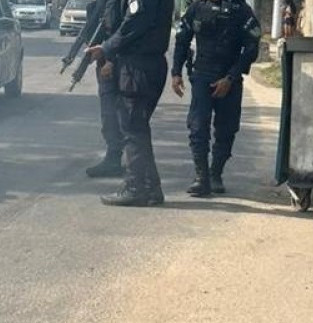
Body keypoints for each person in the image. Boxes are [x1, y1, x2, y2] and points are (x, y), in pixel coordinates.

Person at [86, 0, 176, 207]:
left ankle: (135, 189)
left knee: (132, 129)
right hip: (142, 64)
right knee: (138, 130)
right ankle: (151, 187)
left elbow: (135, 21)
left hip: (139, 67)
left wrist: (107, 47)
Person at [170, 0, 259, 196]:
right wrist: (176, 72)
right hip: (202, 75)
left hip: (230, 78)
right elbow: (182, 39)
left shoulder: (241, 10)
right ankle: (201, 177)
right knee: (198, 126)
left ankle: (215, 174)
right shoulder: (196, 8)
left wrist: (230, 77)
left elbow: (252, 48)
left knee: (226, 129)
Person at [83, 0, 125, 178]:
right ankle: (113, 156)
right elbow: (92, 33)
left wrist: (111, 60)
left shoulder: (119, 4)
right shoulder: (96, 6)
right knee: (108, 114)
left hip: (119, 63)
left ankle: (117, 159)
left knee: (121, 115)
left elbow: (125, 33)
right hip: (104, 63)